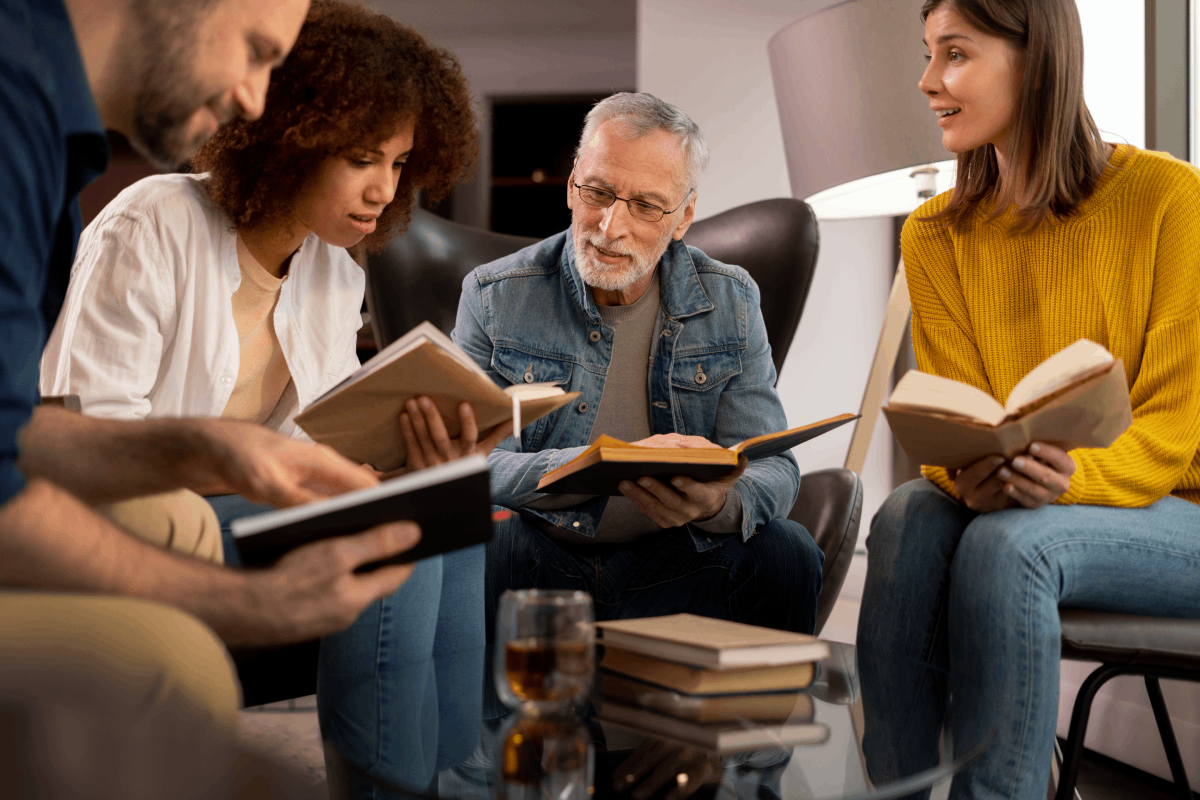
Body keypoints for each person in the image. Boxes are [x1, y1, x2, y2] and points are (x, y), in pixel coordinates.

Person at [39, 2, 498, 796]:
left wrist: (409, 460)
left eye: (399, 164)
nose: (384, 190)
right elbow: (91, 440)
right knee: (387, 533)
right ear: (294, 137)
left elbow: (319, 447)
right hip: (145, 515)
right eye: (362, 158)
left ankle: (459, 779)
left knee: (448, 515)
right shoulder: (153, 223)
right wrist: (297, 475)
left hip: (256, 511)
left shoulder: (334, 275)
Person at [855, 1, 1200, 798]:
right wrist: (972, 476)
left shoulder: (1169, 198)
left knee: (1013, 544)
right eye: (927, 53)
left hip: (1177, 511)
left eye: (955, 54)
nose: (927, 81)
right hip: (1025, 506)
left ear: (1035, 56)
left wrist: (1064, 481)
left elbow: (1173, 431)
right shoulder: (933, 234)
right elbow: (956, 418)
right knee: (905, 517)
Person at [453, 93, 824, 714]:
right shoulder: (494, 296)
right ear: (571, 186)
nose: (609, 227)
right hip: (540, 564)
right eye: (597, 193)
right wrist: (589, 465)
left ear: (683, 217)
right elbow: (472, 465)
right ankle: (499, 749)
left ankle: (750, 756)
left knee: (786, 552)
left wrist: (719, 503)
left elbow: (775, 468)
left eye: (646, 206)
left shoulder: (732, 300)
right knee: (486, 544)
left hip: (677, 562)